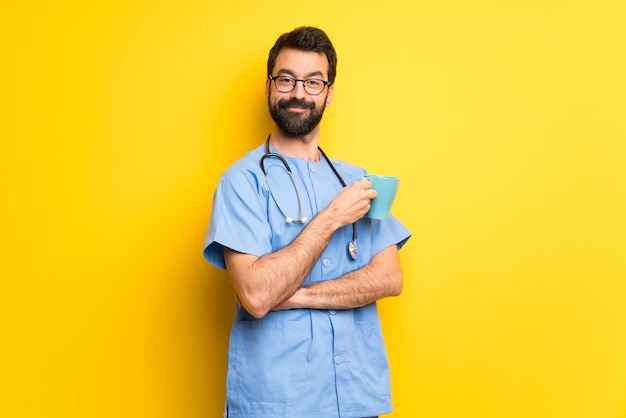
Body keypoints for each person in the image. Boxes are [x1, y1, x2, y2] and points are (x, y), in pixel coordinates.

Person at [203, 26, 411, 418]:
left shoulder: (357, 182)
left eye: (313, 82)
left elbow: (389, 279)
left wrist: (295, 296)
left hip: (354, 399)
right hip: (277, 403)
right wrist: (332, 217)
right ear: (269, 88)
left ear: (329, 94)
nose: (299, 93)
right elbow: (258, 294)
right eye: (287, 79)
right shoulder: (242, 182)